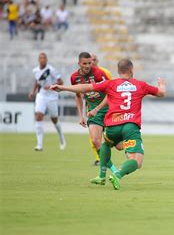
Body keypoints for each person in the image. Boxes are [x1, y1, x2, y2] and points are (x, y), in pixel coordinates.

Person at [51, 59, 166, 190]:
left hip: (112, 127)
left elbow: (86, 87)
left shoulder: (111, 84)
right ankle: (118, 174)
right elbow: (161, 93)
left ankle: (101, 175)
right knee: (137, 161)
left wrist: (63, 88)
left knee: (106, 144)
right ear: (131, 71)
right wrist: (161, 84)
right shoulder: (140, 85)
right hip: (130, 127)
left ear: (118, 71)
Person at [70, 52, 118, 175]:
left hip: (107, 109)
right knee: (96, 141)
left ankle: (129, 141)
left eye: (89, 63)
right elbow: (78, 95)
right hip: (93, 112)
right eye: (84, 63)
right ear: (79, 63)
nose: (87, 66)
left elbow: (110, 91)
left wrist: (99, 108)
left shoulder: (99, 73)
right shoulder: (74, 78)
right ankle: (114, 170)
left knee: (119, 146)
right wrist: (81, 115)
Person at [28, 52, 66, 151]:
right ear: (38, 60)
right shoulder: (36, 70)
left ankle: (61, 136)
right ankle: (39, 144)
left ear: (46, 60)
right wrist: (32, 92)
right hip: (41, 95)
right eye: (41, 58)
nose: (42, 60)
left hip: (52, 97)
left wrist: (51, 86)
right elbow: (37, 81)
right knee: (38, 115)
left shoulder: (51, 70)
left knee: (54, 119)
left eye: (44, 58)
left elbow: (61, 81)